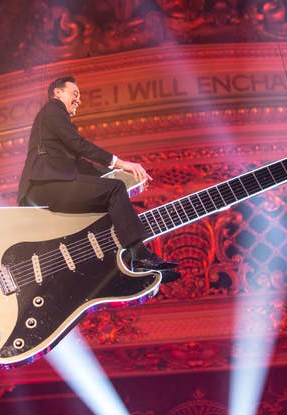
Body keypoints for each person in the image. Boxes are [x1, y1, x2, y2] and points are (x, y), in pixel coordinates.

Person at [17, 76, 177, 272]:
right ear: (57, 93)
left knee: (108, 201)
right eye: (74, 93)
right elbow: (79, 144)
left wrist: (122, 174)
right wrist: (121, 163)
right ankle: (140, 256)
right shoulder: (53, 109)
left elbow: (82, 164)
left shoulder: (56, 123)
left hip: (50, 184)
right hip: (44, 182)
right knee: (114, 191)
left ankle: (115, 263)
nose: (78, 100)